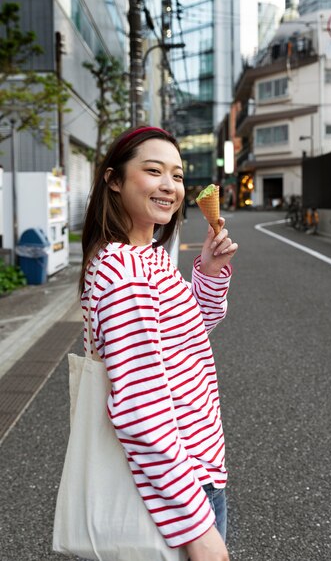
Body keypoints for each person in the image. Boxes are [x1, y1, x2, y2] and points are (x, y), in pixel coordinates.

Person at [79, 125, 238, 561]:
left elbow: (189, 331)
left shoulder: (146, 257)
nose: (170, 186)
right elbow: (137, 405)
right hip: (177, 488)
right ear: (114, 179)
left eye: (178, 175)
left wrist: (209, 269)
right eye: (153, 171)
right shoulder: (125, 272)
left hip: (193, 469)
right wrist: (198, 529)